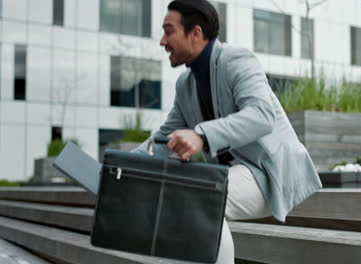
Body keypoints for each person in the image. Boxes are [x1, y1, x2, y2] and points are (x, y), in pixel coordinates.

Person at [135, 0, 322, 262]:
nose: (162, 41)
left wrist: (200, 135)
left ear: (196, 33)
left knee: (201, 196)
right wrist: (118, 166)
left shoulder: (236, 59)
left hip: (269, 172)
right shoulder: (186, 85)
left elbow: (262, 115)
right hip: (232, 174)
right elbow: (164, 140)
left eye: (168, 31)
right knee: (187, 198)